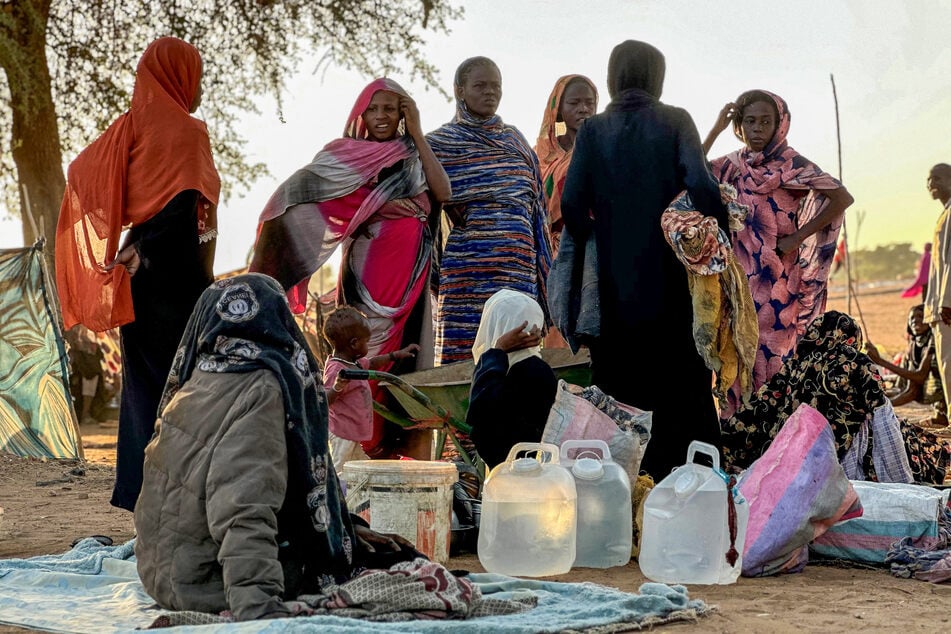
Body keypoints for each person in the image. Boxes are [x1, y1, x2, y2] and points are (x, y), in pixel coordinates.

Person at [134, 274, 421, 621]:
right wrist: (259, 612)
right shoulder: (262, 386)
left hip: (164, 576)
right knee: (406, 567)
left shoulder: (198, 380)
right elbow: (242, 508)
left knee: (369, 551)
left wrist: (346, 527)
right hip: (210, 586)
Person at [55, 37, 220, 511]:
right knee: (185, 386)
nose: (200, 89)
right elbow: (183, 207)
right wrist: (142, 245)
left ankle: (139, 493)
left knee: (144, 386)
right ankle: (181, 497)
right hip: (180, 278)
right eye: (197, 78)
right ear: (179, 78)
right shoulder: (188, 133)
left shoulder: (129, 127)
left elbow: (80, 170)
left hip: (141, 279)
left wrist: (129, 245)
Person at [250, 78, 450, 451]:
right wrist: (381, 205)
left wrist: (419, 132)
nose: (380, 116)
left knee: (405, 362)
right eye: (372, 109)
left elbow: (444, 192)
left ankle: (393, 452)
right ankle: (352, 450)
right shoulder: (343, 155)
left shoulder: (413, 154)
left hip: (412, 282)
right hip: (370, 277)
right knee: (362, 355)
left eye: (390, 109)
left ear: (403, 112)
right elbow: (298, 192)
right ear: (359, 113)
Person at [559, 40, 728, 479]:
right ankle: (695, 480)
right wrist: (719, 229)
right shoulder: (675, 121)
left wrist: (605, 236)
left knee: (620, 384)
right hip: (672, 276)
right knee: (683, 380)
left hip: (616, 285)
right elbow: (702, 186)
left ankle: (623, 485)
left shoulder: (594, 131)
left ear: (613, 77)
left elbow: (572, 206)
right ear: (658, 76)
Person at [703, 90, 854, 421]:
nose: (757, 129)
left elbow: (841, 197)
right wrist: (715, 130)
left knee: (775, 358)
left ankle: (774, 437)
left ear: (779, 125)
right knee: (736, 355)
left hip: (779, 282)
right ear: (739, 125)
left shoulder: (792, 164)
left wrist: (797, 238)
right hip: (737, 283)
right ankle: (737, 435)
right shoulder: (730, 166)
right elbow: (690, 177)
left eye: (765, 122)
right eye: (749, 121)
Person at [426, 56, 553, 366]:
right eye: (480, 85)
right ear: (459, 91)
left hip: (518, 272)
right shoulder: (439, 145)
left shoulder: (515, 140)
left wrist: (545, 275)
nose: (490, 92)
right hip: (466, 275)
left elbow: (538, 211)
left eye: (495, 86)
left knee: (521, 361)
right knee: (464, 365)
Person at [721, 311, 916, 483]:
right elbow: (885, 422)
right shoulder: (858, 364)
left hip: (789, 460)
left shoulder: (795, 365)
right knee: (900, 433)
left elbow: (762, 408)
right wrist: (903, 481)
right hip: (838, 466)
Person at [322, 306, 420, 474]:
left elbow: (372, 363)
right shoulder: (336, 368)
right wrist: (338, 386)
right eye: (366, 341)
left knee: (360, 471)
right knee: (340, 470)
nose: (368, 344)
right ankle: (336, 497)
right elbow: (325, 400)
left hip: (354, 434)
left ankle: (354, 497)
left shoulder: (355, 363)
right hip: (342, 434)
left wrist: (395, 355)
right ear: (353, 344)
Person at [466, 289, 557, 468]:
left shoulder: (507, 372)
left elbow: (480, 423)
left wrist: (498, 349)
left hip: (515, 477)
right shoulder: (539, 369)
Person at [534, 74, 599, 255]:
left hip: (593, 247)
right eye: (574, 103)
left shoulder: (603, 150)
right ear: (559, 109)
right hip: (547, 251)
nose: (583, 109)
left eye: (589, 102)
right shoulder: (539, 156)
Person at [866, 305, 945, 413]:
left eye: (920, 316)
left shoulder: (934, 340)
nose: (915, 321)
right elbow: (910, 389)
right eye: (912, 318)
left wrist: (880, 361)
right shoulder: (914, 344)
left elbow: (920, 377)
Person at [924, 163, 951, 414]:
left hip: (947, 306)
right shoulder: (945, 213)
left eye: (936, 178)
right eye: (928, 180)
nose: (931, 184)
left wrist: (946, 301)